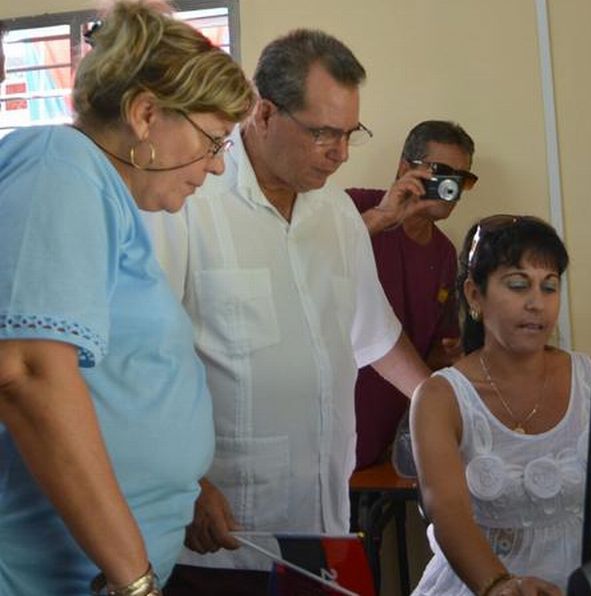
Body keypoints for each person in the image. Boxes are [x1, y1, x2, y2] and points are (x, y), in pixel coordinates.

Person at [144, 29, 430, 595]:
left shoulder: (339, 218)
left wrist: (454, 408)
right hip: (220, 542)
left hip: (322, 534)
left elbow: (375, 340)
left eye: (350, 134)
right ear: (264, 112)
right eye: (323, 132)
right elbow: (143, 365)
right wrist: (186, 483)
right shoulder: (190, 204)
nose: (341, 153)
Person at [0, 2, 255, 594]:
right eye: (214, 142)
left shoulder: (101, 193)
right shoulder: (56, 164)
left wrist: (183, 483)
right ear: (146, 114)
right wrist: (134, 578)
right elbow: (27, 372)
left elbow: (119, 381)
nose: (217, 168)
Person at [410, 215, 591, 596]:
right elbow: (448, 511)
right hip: (479, 585)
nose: (537, 304)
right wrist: (500, 585)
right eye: (519, 285)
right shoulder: (440, 397)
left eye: (549, 287)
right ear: (474, 295)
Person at [347, 120, 478, 470]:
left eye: (462, 178)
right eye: (441, 172)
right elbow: (309, 259)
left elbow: (432, 352)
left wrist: (455, 355)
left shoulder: (446, 254)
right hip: (334, 427)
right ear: (406, 168)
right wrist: (383, 217)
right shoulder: (355, 206)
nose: (452, 186)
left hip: (392, 434)